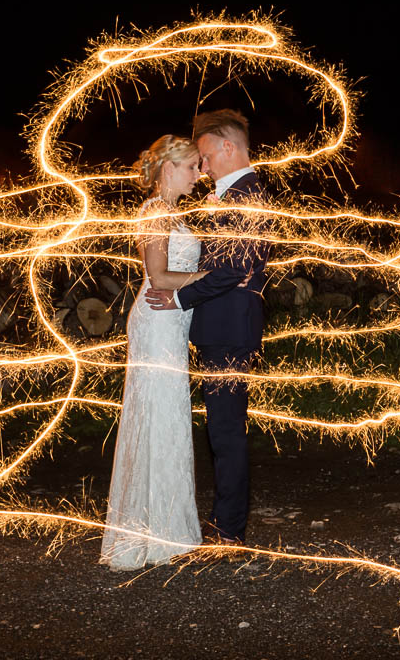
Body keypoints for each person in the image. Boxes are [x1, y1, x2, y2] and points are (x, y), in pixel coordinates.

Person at [145, 109, 269, 545]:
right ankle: (223, 524)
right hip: (224, 328)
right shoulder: (234, 196)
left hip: (228, 330)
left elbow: (232, 268)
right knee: (223, 429)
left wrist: (178, 297)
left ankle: (228, 530)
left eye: (205, 155)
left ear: (227, 147)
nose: (203, 166)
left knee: (226, 431)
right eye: (195, 161)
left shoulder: (243, 197)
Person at [99, 135, 208, 571]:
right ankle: (156, 533)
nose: (198, 175)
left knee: (168, 415)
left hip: (172, 323)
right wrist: (213, 275)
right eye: (190, 167)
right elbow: (159, 276)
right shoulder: (154, 212)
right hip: (157, 322)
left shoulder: (173, 213)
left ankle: (165, 527)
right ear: (168, 169)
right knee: (159, 414)